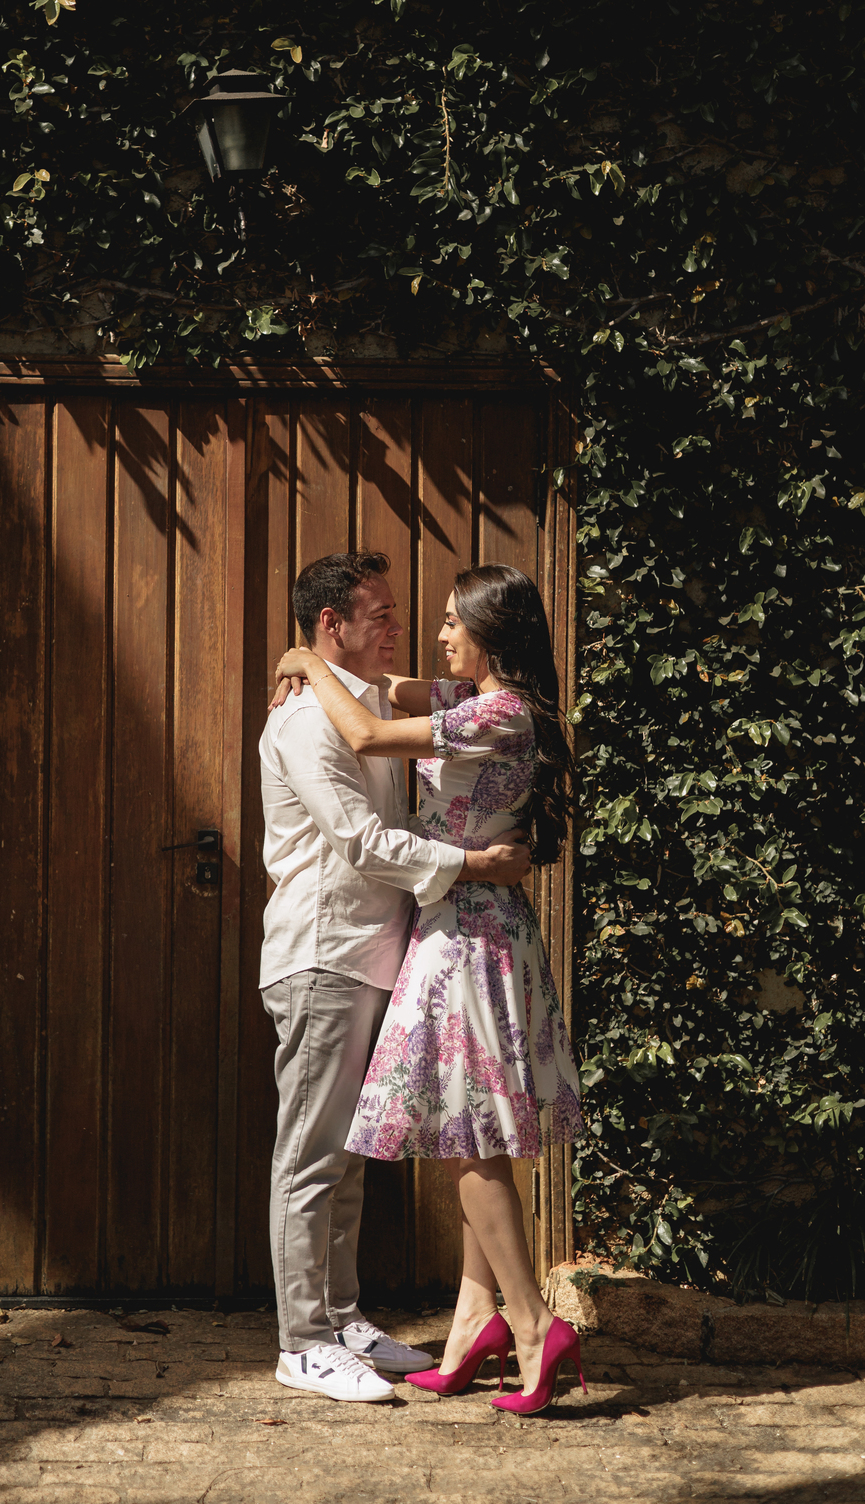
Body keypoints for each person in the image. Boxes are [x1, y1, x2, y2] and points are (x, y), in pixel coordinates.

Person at [271, 563, 587, 1415]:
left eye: (452, 622)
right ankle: (471, 1323)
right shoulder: (479, 696)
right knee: (463, 1127)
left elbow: (373, 736)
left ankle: (527, 1323)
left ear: (491, 634)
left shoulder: (496, 711)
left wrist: (303, 657)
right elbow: (385, 687)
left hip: (467, 930)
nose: (435, 635)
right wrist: (317, 668)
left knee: (465, 1133)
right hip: (463, 922)